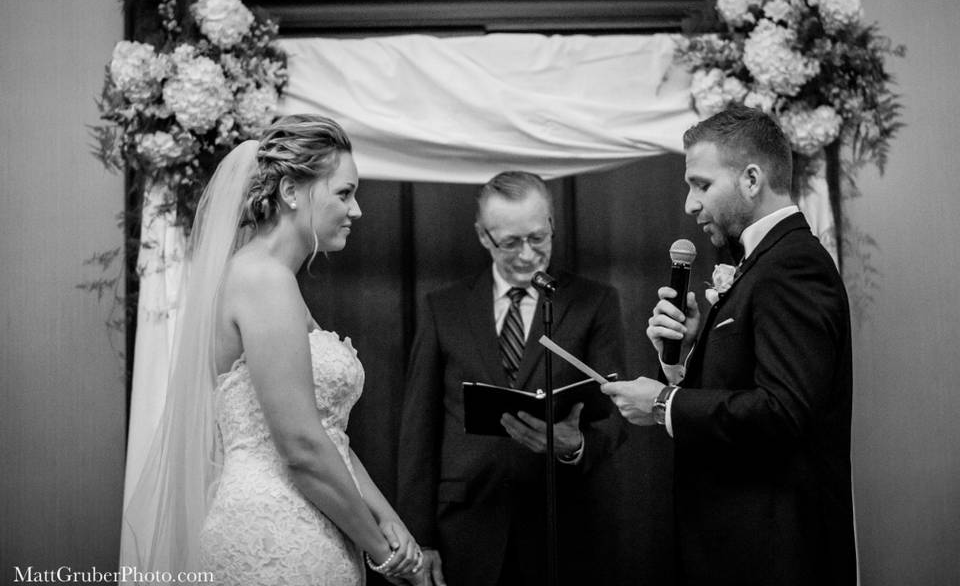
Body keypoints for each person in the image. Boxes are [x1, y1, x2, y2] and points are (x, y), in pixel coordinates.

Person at [120, 114, 423, 585]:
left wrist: (389, 518)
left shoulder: (272, 281)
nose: (357, 209)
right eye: (344, 193)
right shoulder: (263, 280)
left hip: (309, 521)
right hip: (276, 536)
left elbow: (327, 435)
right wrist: (382, 551)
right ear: (291, 192)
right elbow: (300, 446)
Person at [602, 106, 857, 585]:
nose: (689, 205)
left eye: (701, 184)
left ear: (752, 178)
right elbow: (750, 386)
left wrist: (663, 404)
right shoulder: (764, 262)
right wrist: (683, 362)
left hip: (774, 559)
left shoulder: (791, 265)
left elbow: (783, 411)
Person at [397, 171, 626, 586]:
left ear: (553, 225)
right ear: (484, 236)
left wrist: (575, 446)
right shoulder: (442, 308)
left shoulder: (595, 302)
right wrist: (420, 537)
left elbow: (617, 414)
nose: (526, 254)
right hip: (466, 525)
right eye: (510, 242)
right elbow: (419, 429)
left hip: (561, 527)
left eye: (538, 238)